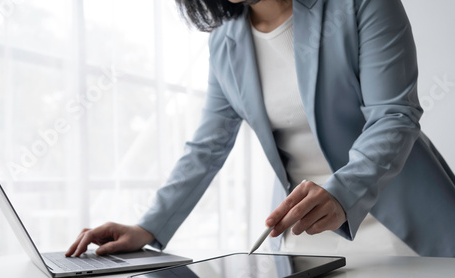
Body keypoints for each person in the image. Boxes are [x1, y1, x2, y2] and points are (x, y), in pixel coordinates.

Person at [66, 0, 455, 258]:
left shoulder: (360, 3)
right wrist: (147, 227)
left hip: (403, 226)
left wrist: (343, 193)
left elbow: (393, 114)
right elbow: (207, 147)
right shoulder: (225, 41)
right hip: (307, 237)